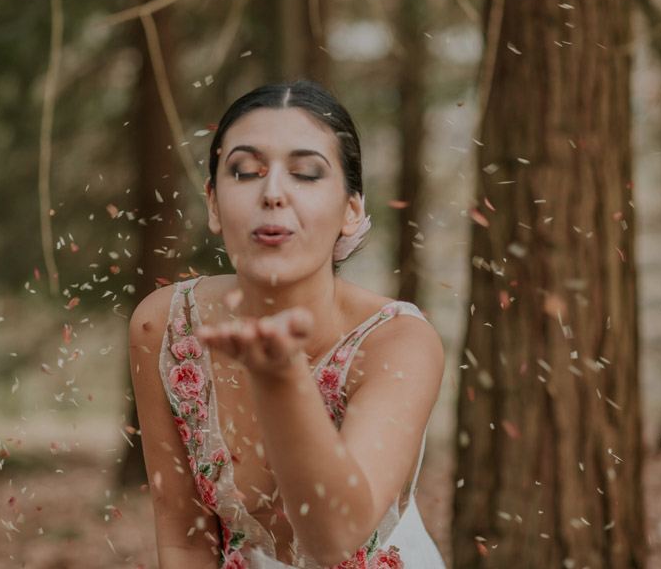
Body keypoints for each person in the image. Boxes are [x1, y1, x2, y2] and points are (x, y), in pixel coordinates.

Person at [128, 80, 447, 568]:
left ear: (351, 209)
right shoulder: (166, 326)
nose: (273, 192)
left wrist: (281, 378)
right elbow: (184, 534)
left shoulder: (398, 342)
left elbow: (334, 539)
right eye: (245, 171)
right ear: (213, 204)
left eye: (305, 174)